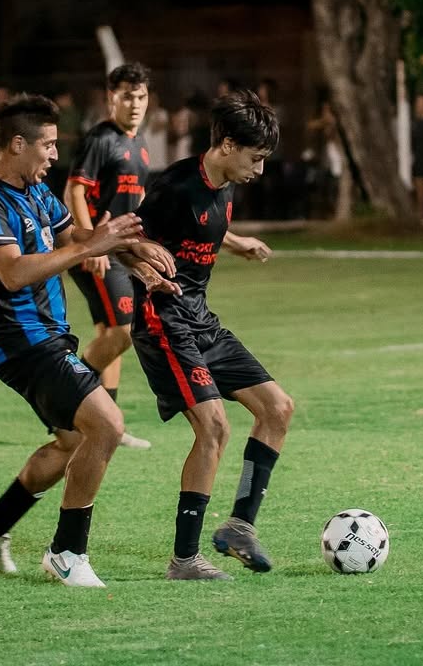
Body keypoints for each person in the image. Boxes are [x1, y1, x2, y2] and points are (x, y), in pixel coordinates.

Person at [0, 94, 178, 587]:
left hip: (48, 337)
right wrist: (93, 247)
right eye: (48, 145)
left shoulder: (35, 192)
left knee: (72, 441)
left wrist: (130, 252)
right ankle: (67, 551)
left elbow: (71, 236)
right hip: (22, 342)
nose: (55, 155)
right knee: (109, 425)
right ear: (18, 144)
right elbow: (12, 273)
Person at [120, 89, 294, 580]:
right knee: (214, 427)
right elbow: (123, 241)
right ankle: (184, 560)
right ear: (227, 145)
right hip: (162, 321)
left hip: (201, 319)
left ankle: (239, 526)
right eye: (255, 159)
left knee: (278, 409)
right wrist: (147, 271)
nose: (258, 171)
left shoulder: (227, 182)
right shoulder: (174, 185)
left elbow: (205, 227)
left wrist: (236, 243)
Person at [64, 62, 156, 450]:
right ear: (110, 98)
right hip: (99, 250)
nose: (135, 104)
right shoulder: (101, 139)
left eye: (141, 97)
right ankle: (67, 394)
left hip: (119, 250)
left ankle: (107, 422)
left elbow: (137, 199)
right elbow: (74, 192)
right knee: (124, 331)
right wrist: (93, 246)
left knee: (111, 333)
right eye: (126, 97)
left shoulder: (139, 146)